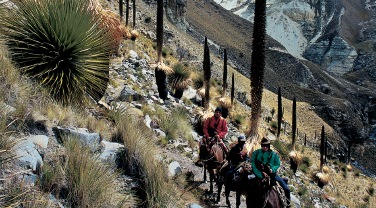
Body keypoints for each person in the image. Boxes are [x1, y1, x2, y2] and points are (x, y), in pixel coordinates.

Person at [251, 137, 291, 206]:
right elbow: (253, 165)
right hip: (259, 174)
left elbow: (277, 164)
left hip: (272, 175)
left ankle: (287, 204)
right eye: (263, 146)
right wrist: (260, 173)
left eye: (266, 146)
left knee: (286, 189)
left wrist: (272, 169)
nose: (265, 147)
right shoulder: (256, 153)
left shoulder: (274, 155)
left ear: (269, 146)